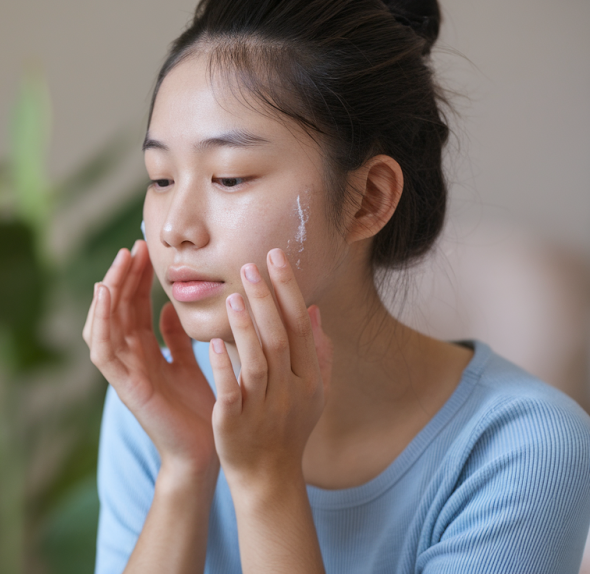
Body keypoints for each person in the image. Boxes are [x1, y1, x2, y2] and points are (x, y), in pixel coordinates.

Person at [82, 0, 590, 572]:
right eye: (161, 178)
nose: (174, 227)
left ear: (368, 199)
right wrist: (186, 467)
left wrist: (266, 480)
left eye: (229, 177)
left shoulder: (524, 451)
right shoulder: (162, 406)